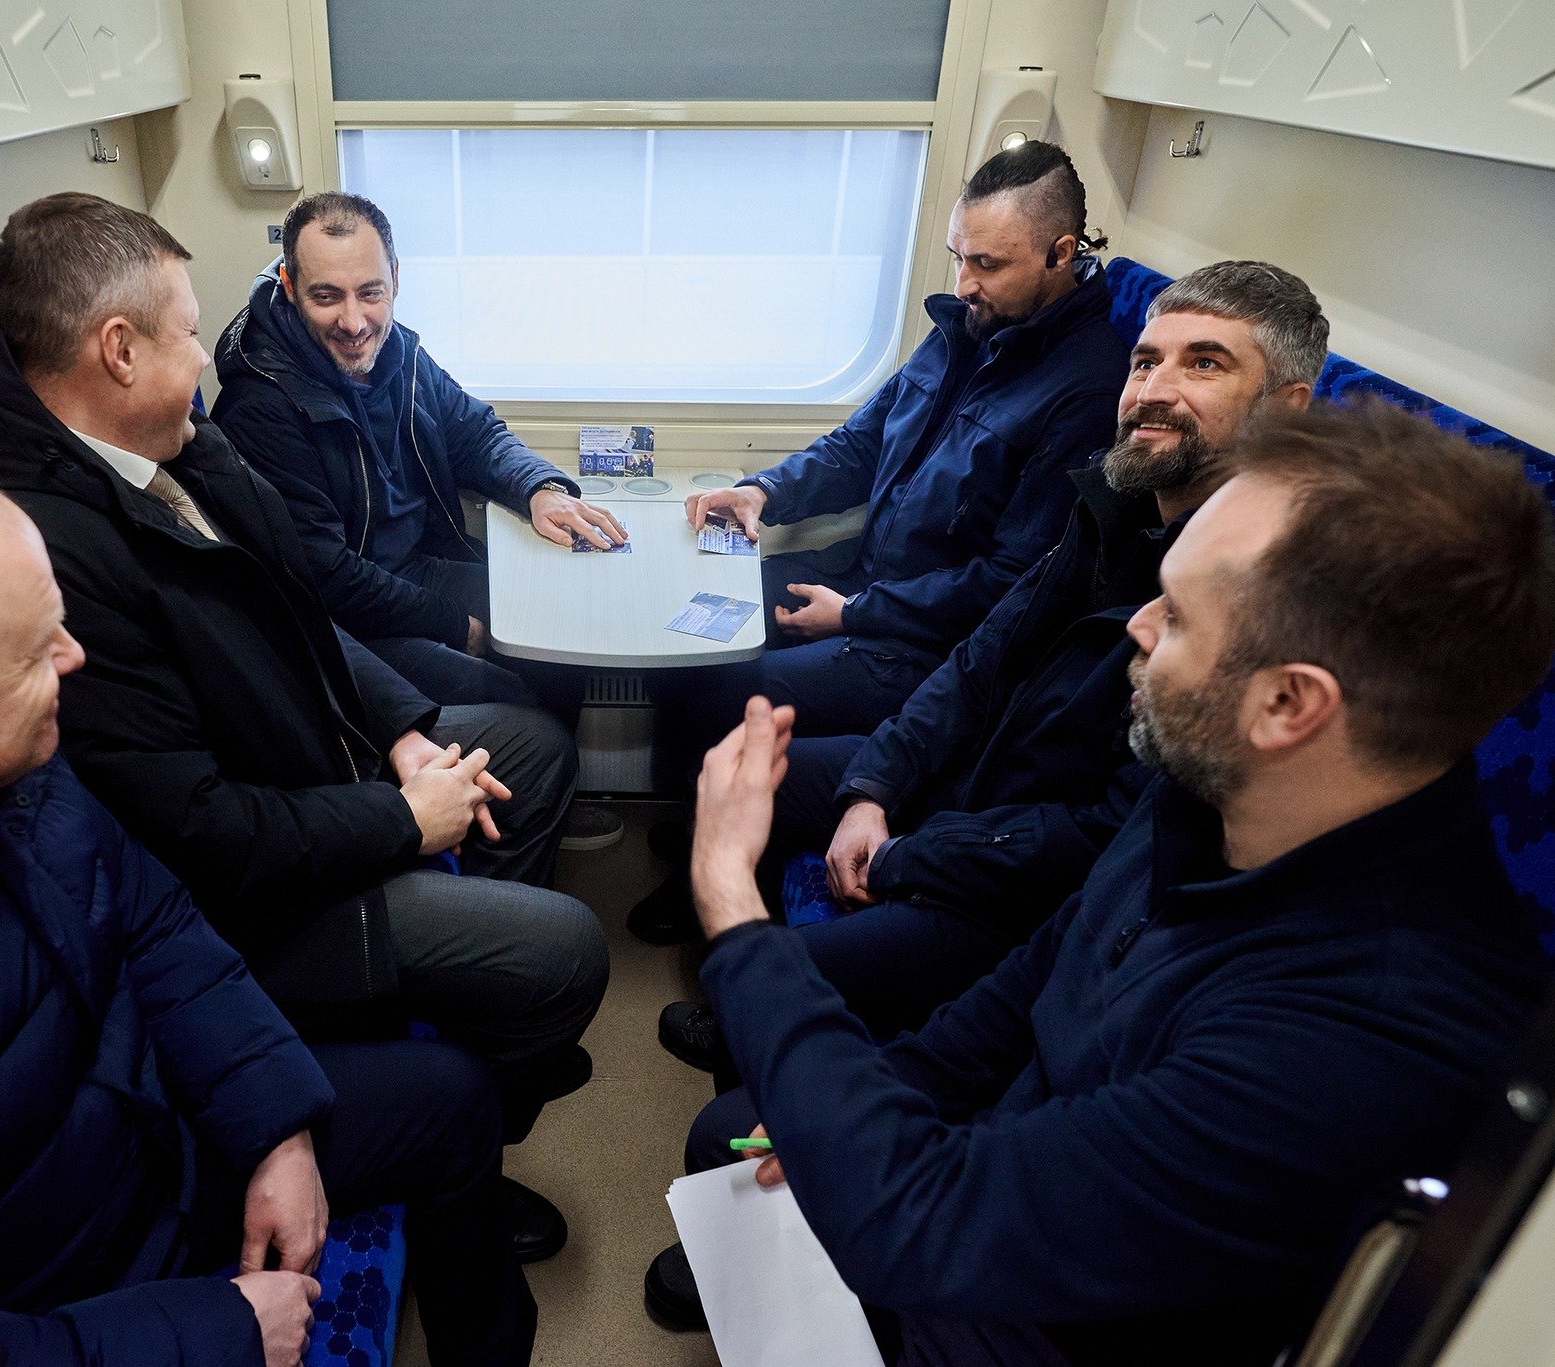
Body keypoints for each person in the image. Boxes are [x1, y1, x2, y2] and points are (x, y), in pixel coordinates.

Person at [648, 400, 1555, 1365]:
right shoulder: (1215, 791)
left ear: (1288, 702)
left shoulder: (1364, 1041)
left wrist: (733, 900)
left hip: (1048, 1320)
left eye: (1178, 615)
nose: (1138, 626)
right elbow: (1036, 981)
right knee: (737, 1135)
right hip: (1020, 1158)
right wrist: (890, 1088)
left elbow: (928, 1224)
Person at [0, 193, 607, 1253]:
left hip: (309, 764)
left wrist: (400, 726)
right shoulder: (43, 551)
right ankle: (470, 1106)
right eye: (186, 333)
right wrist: (403, 818)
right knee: (566, 951)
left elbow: (286, 600)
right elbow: (203, 830)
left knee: (531, 750)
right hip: (251, 896)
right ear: (118, 351)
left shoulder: (160, 437)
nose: (204, 357)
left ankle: (477, 1016)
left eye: (371, 292)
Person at [0, 450, 535, 1367]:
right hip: (85, 1285)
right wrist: (221, 1329)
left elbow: (158, 926)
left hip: (161, 1137)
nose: (74, 660)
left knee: (454, 1100)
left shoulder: (3, 763)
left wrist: (275, 1123)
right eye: (36, 651)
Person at [658, 260, 1329, 1066]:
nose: (1154, 389)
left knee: (758, 1001)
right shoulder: (1111, 505)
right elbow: (981, 659)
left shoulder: (1260, 599)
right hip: (971, 783)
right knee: (741, 761)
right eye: (1147, 361)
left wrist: (909, 853)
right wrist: (875, 789)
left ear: (1285, 410)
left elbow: (1107, 832)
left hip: (1023, 884)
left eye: (1205, 364)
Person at [631, 139, 1130, 942]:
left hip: (923, 643)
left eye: (988, 264)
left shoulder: (1087, 389)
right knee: (682, 629)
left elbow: (1010, 581)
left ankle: (718, 892)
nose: (964, 283)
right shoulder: (966, 328)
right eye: (958, 257)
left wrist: (857, 613)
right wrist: (765, 491)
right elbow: (865, 441)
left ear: (1060, 253)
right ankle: (703, 825)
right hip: (866, 581)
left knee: (725, 687)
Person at [210, 190, 627, 716]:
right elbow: (326, 576)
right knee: (520, 697)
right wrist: (454, 626)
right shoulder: (261, 406)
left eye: (370, 293)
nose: (354, 322)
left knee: (556, 616)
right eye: (327, 297)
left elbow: (475, 432)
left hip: (419, 566)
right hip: (351, 624)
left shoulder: (399, 353)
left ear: (396, 280)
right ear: (290, 287)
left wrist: (538, 488)